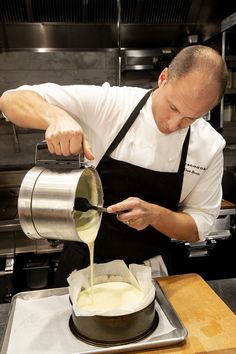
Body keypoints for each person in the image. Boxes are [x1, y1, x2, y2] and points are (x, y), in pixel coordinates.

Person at [0, 45, 228, 286]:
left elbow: (198, 226)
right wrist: (56, 117)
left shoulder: (209, 146)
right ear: (163, 78)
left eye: (190, 119)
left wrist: (155, 215)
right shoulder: (111, 104)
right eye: (172, 107)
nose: (173, 124)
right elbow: (11, 99)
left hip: (149, 273)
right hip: (82, 266)